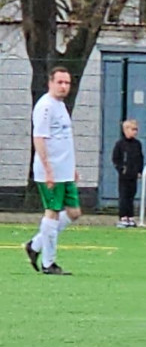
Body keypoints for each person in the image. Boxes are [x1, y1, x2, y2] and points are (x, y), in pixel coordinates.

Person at [24, 66, 80, 275]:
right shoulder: (45, 106)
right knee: (52, 212)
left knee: (74, 212)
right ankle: (48, 263)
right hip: (52, 171)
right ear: (50, 83)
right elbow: (39, 138)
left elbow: (64, 140)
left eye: (67, 83)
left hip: (65, 171)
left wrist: (72, 167)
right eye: (60, 82)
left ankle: (35, 245)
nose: (64, 86)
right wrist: (47, 170)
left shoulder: (61, 106)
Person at [111, 118, 144, 228]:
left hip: (134, 174)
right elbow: (116, 158)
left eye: (136, 129)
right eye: (132, 129)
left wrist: (140, 170)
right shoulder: (120, 144)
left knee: (131, 195)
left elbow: (140, 158)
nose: (135, 132)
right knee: (124, 195)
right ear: (125, 130)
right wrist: (121, 169)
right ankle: (123, 216)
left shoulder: (137, 144)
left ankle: (130, 216)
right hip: (124, 175)